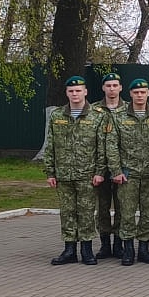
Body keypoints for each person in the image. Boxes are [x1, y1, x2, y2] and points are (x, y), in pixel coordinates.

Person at [44, 76, 107, 265]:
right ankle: (69, 250)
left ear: (85, 92)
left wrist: (99, 172)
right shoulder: (57, 116)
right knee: (67, 212)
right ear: (67, 93)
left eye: (78, 90)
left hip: (87, 174)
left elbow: (102, 147)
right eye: (71, 91)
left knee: (86, 212)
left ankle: (87, 250)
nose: (75, 94)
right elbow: (51, 145)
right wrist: (50, 172)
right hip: (64, 174)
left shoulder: (97, 115)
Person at [109, 78, 149, 265]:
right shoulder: (118, 116)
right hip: (128, 174)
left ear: (148, 93)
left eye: (143, 92)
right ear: (130, 94)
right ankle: (128, 250)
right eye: (136, 92)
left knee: (148, 212)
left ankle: (144, 248)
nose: (140, 95)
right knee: (126, 213)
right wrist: (116, 170)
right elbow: (111, 146)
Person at [90, 72, 126, 259]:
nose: (112, 89)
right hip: (99, 168)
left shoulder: (129, 110)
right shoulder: (93, 110)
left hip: (123, 168)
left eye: (115, 85)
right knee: (102, 207)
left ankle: (119, 244)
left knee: (122, 207)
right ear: (103, 88)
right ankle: (105, 244)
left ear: (120, 88)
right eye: (108, 86)